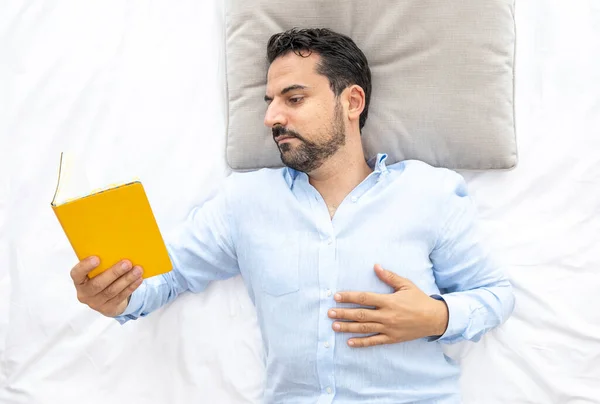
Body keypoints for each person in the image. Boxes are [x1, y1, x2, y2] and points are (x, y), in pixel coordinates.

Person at [70, 28, 515, 403]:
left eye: (294, 98)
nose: (271, 117)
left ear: (351, 102)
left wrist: (436, 318)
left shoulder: (428, 192)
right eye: (269, 101)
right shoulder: (243, 201)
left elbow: (495, 295)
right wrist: (116, 295)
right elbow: (163, 277)